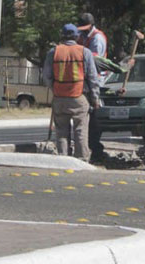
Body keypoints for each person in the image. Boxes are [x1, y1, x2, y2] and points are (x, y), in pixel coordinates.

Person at [42, 24, 102, 160]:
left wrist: (55, 88)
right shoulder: (84, 52)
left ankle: (63, 158)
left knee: (61, 131)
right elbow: (93, 78)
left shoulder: (53, 52)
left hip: (59, 97)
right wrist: (95, 99)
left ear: (61, 36)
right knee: (80, 130)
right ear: (77, 36)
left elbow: (46, 76)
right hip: (78, 96)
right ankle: (81, 159)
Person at [77, 12, 109, 163]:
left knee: (94, 117)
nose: (82, 31)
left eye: (84, 28)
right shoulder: (82, 36)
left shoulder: (97, 38)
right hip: (84, 81)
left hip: (96, 80)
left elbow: (93, 61)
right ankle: (87, 147)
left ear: (91, 25)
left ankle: (95, 149)